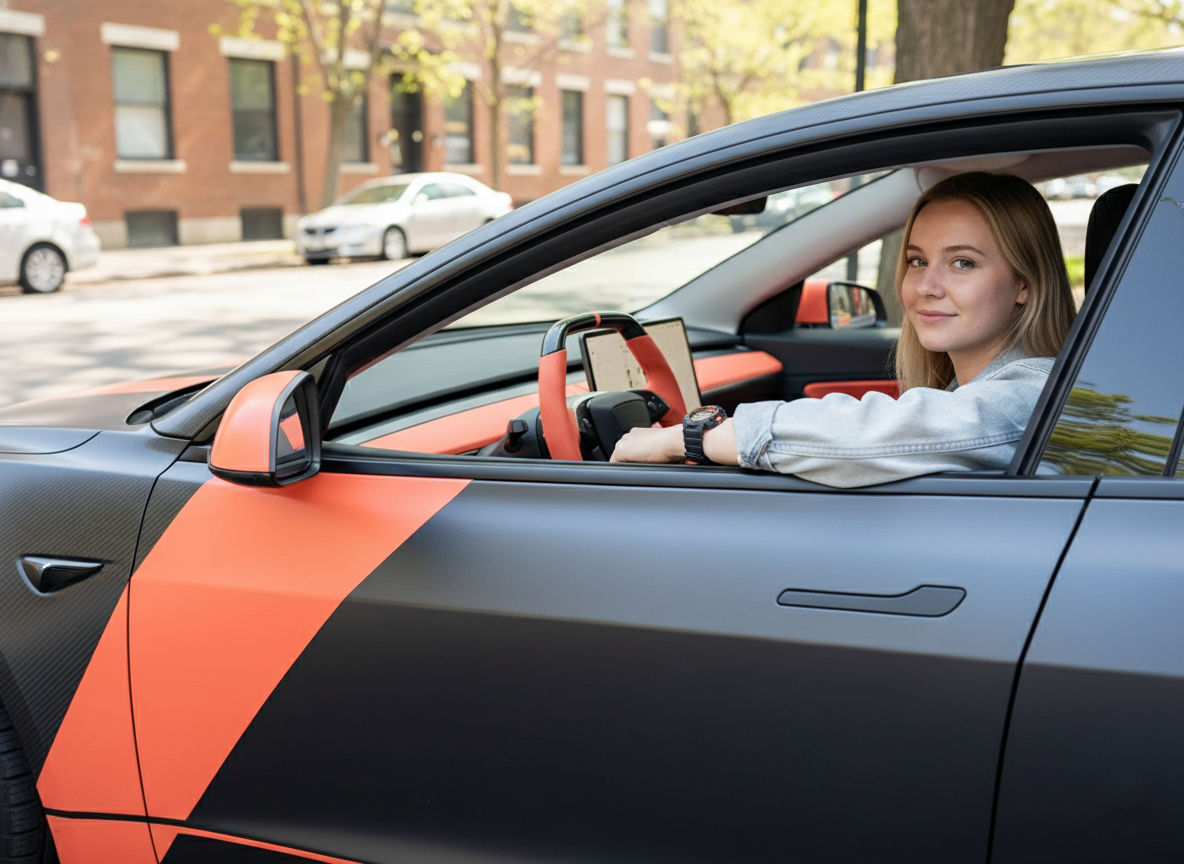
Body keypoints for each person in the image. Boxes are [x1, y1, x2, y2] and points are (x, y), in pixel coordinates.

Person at [610, 172, 1078, 487]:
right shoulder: (973, 390)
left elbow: (873, 433)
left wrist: (685, 438)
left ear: (1024, 282)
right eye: (917, 260)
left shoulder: (1032, 396)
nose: (925, 287)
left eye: (962, 263)